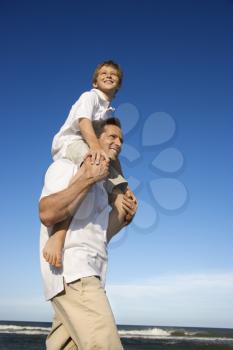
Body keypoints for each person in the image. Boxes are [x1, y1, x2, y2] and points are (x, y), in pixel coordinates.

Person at [39, 118, 138, 350]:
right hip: (74, 272)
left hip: (91, 273)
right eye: (112, 137)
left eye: (122, 139)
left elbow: (101, 234)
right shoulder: (66, 167)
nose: (118, 143)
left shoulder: (104, 190)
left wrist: (124, 215)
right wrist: (87, 178)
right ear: (93, 138)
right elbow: (47, 212)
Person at [43, 60, 133, 268]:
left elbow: (111, 154)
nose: (109, 76)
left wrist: (124, 187)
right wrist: (94, 147)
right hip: (71, 143)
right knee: (94, 167)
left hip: (91, 147)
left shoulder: (109, 112)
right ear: (95, 82)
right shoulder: (90, 97)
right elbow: (83, 122)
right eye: (104, 73)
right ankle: (58, 233)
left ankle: (100, 241)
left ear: (118, 84)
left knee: (125, 202)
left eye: (114, 74)